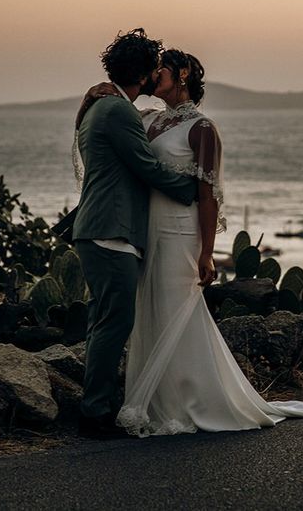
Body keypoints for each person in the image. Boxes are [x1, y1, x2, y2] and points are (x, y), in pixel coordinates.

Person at [78, 47, 303, 437]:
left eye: (162, 68)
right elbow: (115, 142)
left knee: (176, 310)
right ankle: (151, 398)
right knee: (150, 314)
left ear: (182, 73)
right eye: (153, 68)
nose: (155, 75)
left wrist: (206, 252)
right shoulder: (147, 119)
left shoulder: (202, 128)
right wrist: (91, 96)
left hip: (180, 230)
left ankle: (191, 398)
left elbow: (207, 194)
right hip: (147, 230)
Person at [71, 29, 197, 438]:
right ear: (142, 75)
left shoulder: (103, 106)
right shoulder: (118, 111)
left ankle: (97, 406)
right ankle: (94, 414)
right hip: (111, 230)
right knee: (116, 322)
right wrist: (190, 189)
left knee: (102, 320)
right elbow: (146, 165)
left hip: (99, 228)